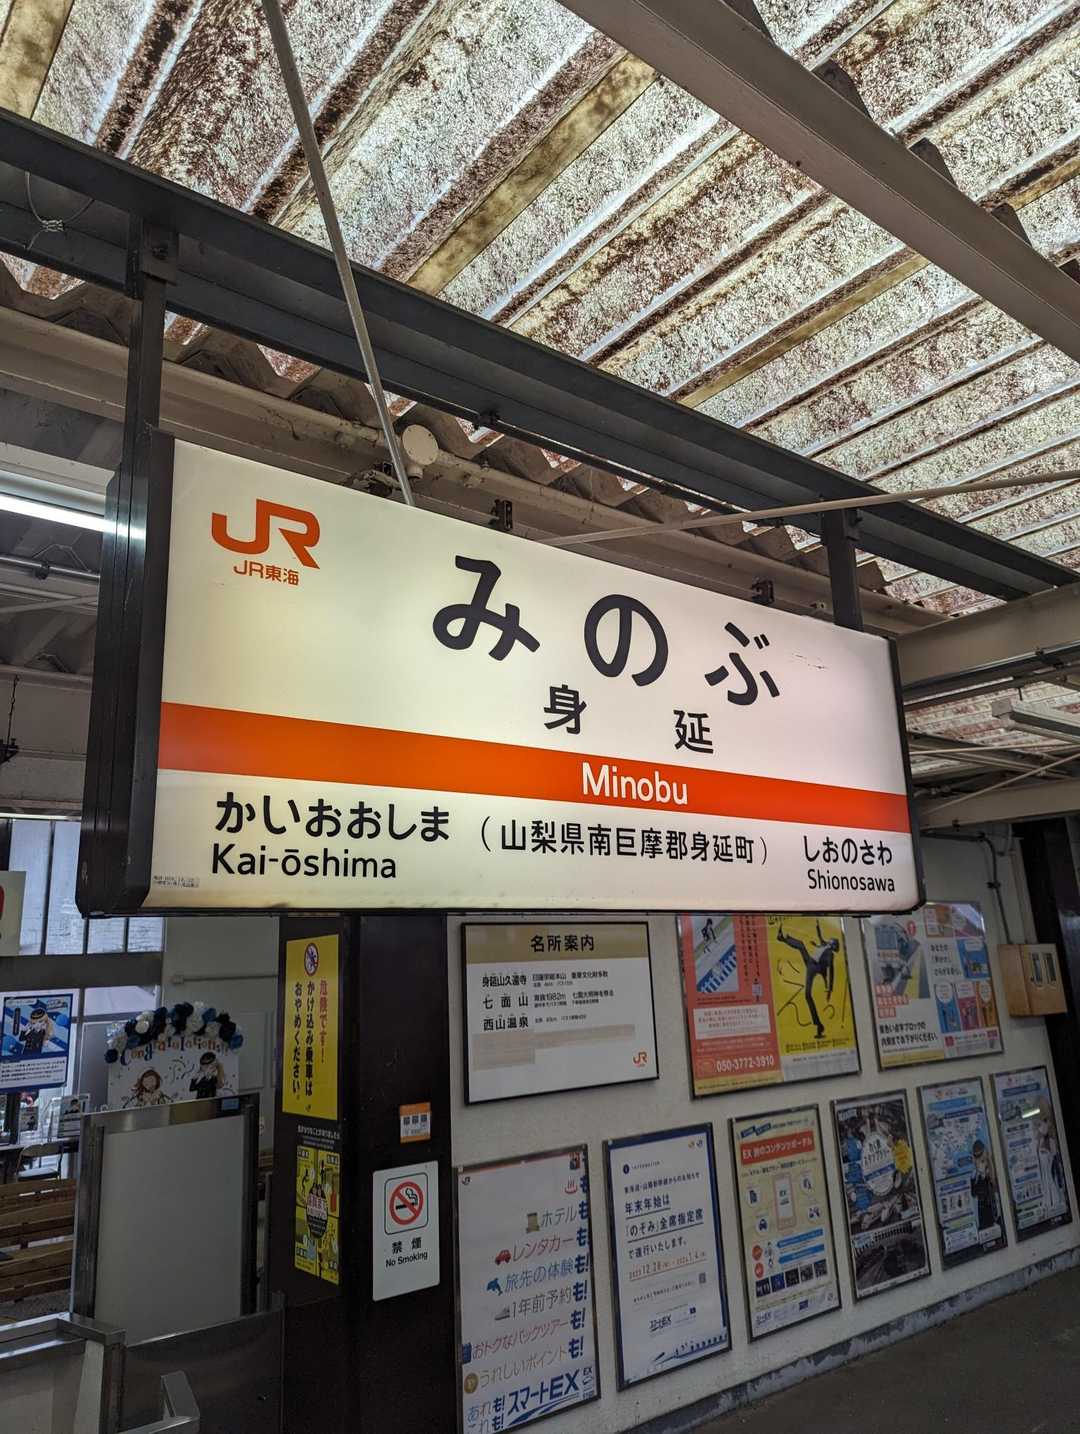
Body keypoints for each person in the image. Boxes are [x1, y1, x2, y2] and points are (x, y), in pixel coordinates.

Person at [777, 921, 839, 1039]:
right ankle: (782, 938)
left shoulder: (830, 954)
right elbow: (820, 936)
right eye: (830, 940)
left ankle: (819, 1026)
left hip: (815, 968)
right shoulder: (824, 944)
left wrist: (829, 989)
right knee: (801, 945)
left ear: (833, 945)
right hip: (811, 962)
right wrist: (817, 925)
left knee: (807, 995)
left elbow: (832, 971)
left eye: (831, 941)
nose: (829, 941)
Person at [970, 1140, 999, 1232]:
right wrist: (979, 1175)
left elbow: (996, 1188)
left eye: (980, 1156)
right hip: (983, 1213)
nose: (979, 1160)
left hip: (995, 1211)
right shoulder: (975, 1175)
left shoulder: (993, 1169)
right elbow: (973, 1193)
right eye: (976, 1156)